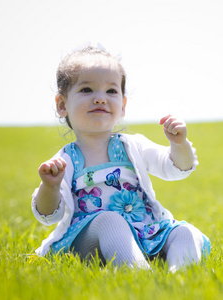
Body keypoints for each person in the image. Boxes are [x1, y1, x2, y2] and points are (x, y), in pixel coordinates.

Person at [31, 44, 210, 272]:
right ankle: (139, 276)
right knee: (110, 221)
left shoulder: (133, 146)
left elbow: (177, 167)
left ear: (123, 106)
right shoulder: (66, 159)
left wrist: (178, 144)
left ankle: (181, 279)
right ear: (62, 104)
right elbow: (48, 214)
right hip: (88, 240)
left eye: (111, 91)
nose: (100, 99)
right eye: (87, 89)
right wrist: (50, 186)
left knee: (185, 232)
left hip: (143, 232)